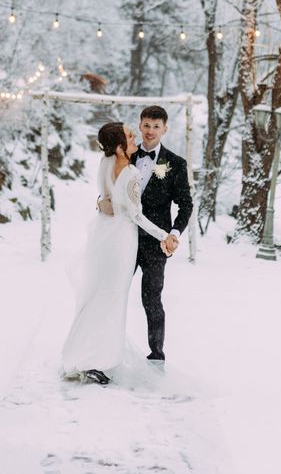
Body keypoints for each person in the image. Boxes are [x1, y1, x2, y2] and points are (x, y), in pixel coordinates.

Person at [62, 122, 173, 385]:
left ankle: (81, 355)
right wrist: (164, 236)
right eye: (130, 135)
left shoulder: (104, 162)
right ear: (120, 145)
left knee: (98, 295)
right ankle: (99, 362)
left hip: (103, 237)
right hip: (122, 240)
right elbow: (136, 216)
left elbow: (105, 199)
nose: (135, 137)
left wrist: (103, 204)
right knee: (114, 299)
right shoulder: (131, 172)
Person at [98, 105, 193, 364]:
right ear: (139, 126)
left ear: (165, 129)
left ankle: (156, 355)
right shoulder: (125, 153)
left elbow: (186, 204)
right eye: (146, 125)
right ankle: (104, 350)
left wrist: (173, 233)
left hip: (156, 244)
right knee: (112, 293)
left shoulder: (175, 163)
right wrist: (101, 202)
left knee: (152, 299)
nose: (150, 131)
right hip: (123, 239)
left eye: (156, 126)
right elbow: (110, 188)